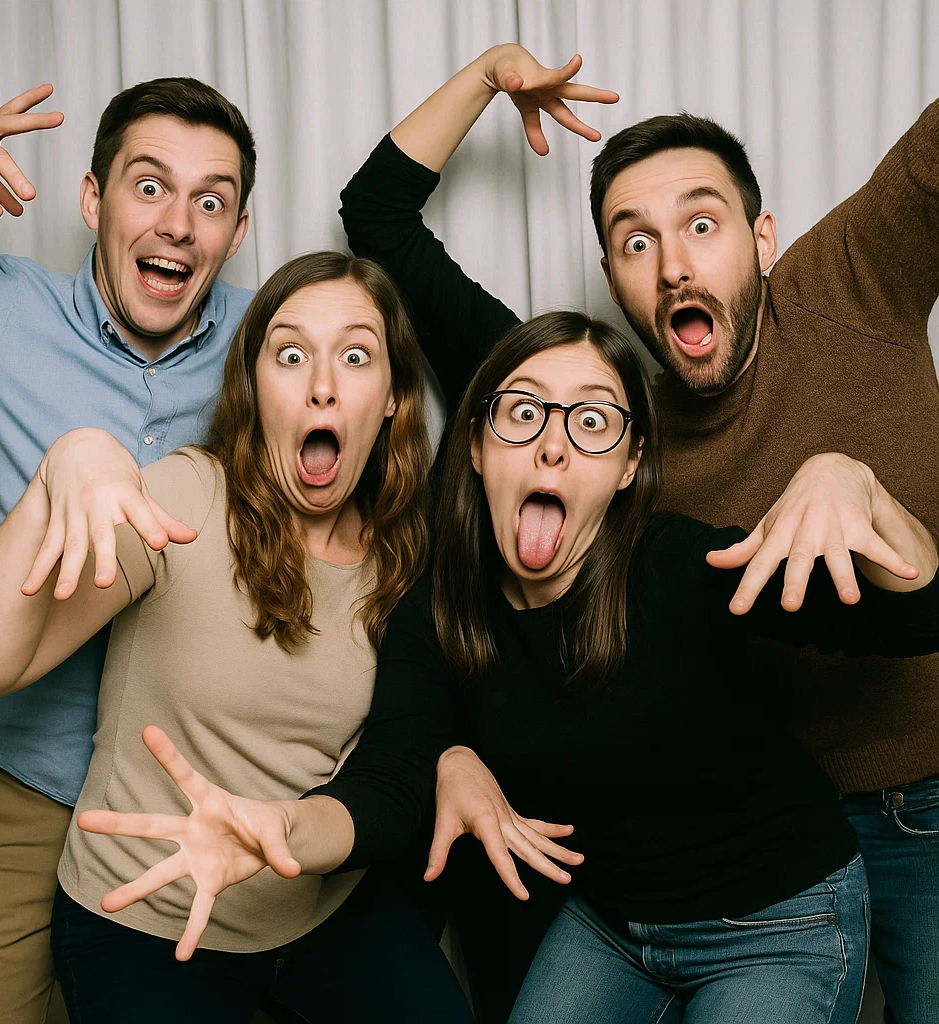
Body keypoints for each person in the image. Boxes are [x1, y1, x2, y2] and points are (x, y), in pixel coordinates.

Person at [61, 310, 939, 1023]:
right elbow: (392, 779)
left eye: (593, 422)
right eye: (524, 412)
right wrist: (284, 831)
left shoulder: (680, 570)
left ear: (633, 465)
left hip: (779, 918)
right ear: (476, 444)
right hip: (613, 924)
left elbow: (918, 619)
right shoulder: (443, 605)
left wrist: (850, 481)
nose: (553, 446)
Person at [339, 43, 939, 1021]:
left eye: (701, 224)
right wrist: (489, 73)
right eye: (632, 239)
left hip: (919, 795)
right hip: (703, 845)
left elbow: (918, 617)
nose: (672, 263)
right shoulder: (594, 426)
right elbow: (377, 216)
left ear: (761, 237)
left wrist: (856, 488)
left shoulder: (847, 277)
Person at [0, 251, 477, 1024]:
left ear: (394, 395)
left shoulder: (408, 556)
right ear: (254, 388)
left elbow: (394, 774)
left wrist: (285, 828)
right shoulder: (184, 501)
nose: (322, 385)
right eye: (290, 355)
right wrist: (60, 470)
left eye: (355, 357)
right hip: (143, 919)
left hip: (320, 909)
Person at [0, 77, 257, 1019]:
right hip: (14, 783)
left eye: (211, 201)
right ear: (91, 198)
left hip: (192, 797)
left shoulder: (269, 343)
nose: (179, 224)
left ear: (234, 231)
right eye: (149, 186)